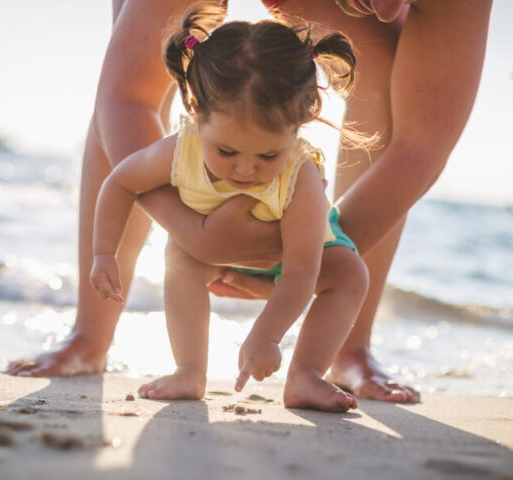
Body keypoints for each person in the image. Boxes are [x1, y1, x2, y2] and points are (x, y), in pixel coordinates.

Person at [6, 0, 493, 405]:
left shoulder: (300, 173)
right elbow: (125, 101)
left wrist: (296, 261)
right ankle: (92, 335)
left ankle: (344, 348)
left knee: (381, 51)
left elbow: (421, 146)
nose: (389, 10)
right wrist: (189, 231)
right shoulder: (189, 144)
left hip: (298, 242)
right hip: (191, 216)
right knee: (135, 57)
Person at [90, 5, 369, 412]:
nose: (245, 168)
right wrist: (103, 252)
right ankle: (189, 370)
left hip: (294, 259)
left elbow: (300, 271)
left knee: (350, 274)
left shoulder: (301, 176)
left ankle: (306, 374)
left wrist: (267, 335)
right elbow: (120, 182)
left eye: (268, 155)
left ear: (298, 128)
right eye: (226, 151)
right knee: (180, 259)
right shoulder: (179, 148)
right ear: (196, 112)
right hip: (210, 254)